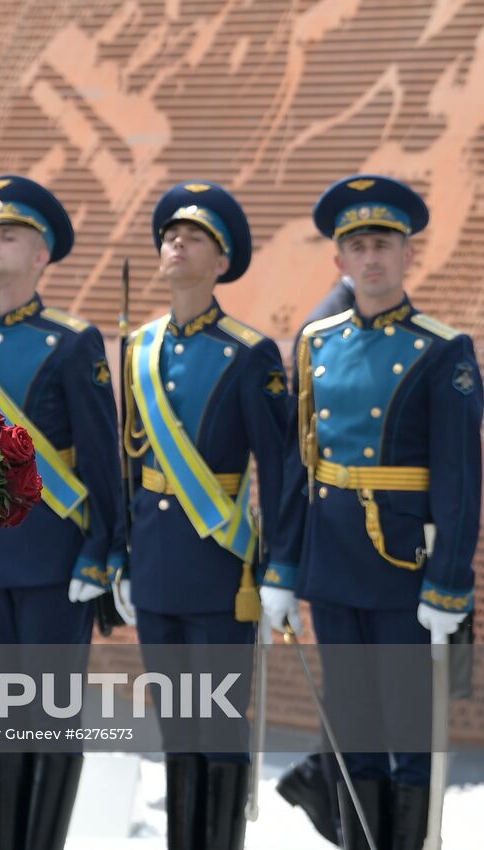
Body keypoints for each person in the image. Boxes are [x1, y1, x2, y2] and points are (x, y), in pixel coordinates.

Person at [262, 174, 481, 850]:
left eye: (384, 244)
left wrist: (450, 582)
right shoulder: (316, 343)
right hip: (331, 565)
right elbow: (300, 467)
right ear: (340, 261)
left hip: (404, 569)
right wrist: (283, 567)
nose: (372, 258)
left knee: (410, 737)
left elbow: (460, 478)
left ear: (408, 253)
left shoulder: (441, 350)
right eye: (358, 246)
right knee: (353, 729)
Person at [0, 175, 124, 850]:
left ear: (42, 256)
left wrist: (105, 549)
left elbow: (104, 460)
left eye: (9, 234)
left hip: (55, 557)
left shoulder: (73, 341)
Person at [119, 181, 290, 849]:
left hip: (222, 572)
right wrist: (120, 556)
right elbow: (126, 465)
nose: (176, 242)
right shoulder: (140, 347)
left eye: (195, 237)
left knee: (219, 729)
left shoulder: (250, 354)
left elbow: (279, 470)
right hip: (157, 567)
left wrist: (281, 568)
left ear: (223, 262)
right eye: (169, 234)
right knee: (176, 727)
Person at [274, 271, 358, 848]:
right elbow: (298, 449)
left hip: (355, 539)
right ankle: (322, 780)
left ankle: (318, 778)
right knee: (359, 683)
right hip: (340, 533)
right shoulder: (324, 327)